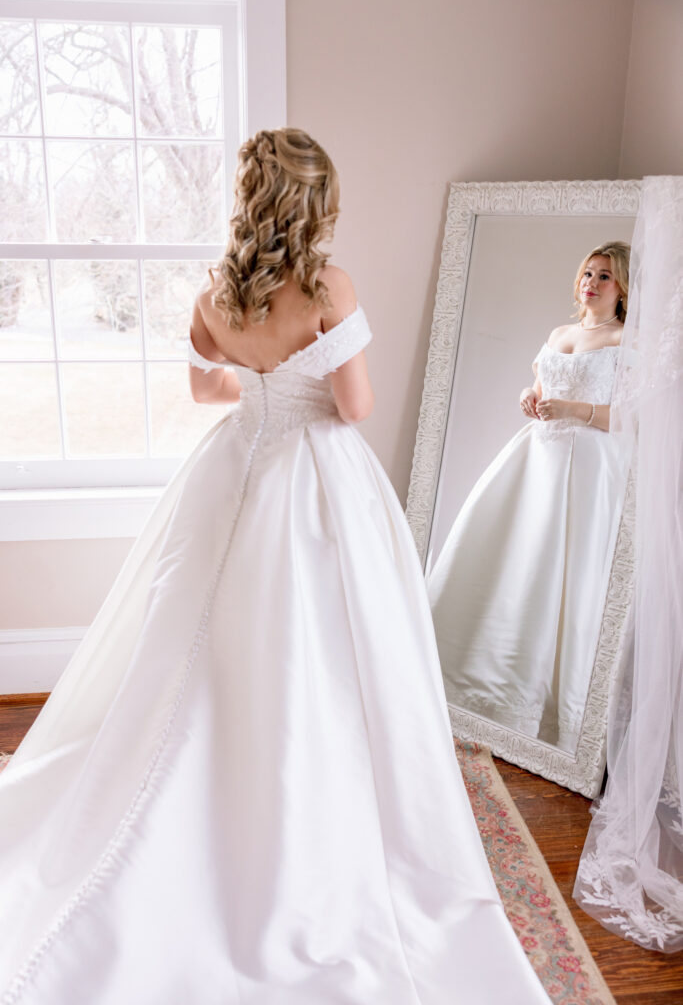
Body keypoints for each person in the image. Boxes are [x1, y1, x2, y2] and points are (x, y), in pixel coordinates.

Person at [0, 128, 550, 1005]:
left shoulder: (217, 293)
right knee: (319, 650)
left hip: (232, 468)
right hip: (315, 484)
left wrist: (259, 380)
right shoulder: (327, 286)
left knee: (201, 643)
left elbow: (206, 390)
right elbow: (354, 404)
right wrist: (302, 371)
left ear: (250, 195)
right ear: (316, 201)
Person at [428, 241, 631, 753]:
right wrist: (531, 395)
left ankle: (541, 706)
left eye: (604, 276)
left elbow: (629, 417)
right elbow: (541, 386)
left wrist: (574, 411)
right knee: (510, 556)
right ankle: (477, 678)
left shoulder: (626, 340)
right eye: (588, 271)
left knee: (560, 570)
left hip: (584, 467)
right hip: (536, 459)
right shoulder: (559, 333)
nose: (591, 282)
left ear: (622, 286)